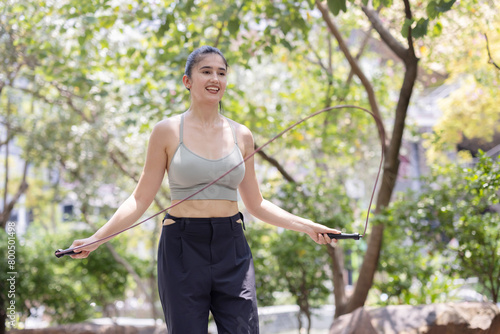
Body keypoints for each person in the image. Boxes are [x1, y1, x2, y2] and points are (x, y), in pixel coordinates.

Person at [68, 45, 340, 333]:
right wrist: (96, 239)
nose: (215, 78)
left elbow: (257, 203)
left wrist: (307, 226)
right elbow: (139, 198)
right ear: (187, 81)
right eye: (206, 71)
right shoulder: (167, 131)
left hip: (231, 245)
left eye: (221, 73)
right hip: (182, 247)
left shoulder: (242, 135)